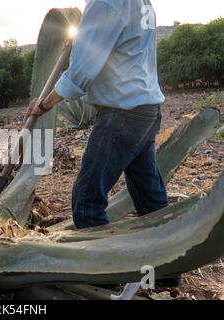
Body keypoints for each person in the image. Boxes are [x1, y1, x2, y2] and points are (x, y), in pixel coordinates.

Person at [27, 0, 179, 286]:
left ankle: (104, 278)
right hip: (146, 109)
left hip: (121, 114)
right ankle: (169, 274)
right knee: (150, 197)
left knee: (87, 201)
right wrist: (83, 40)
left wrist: (44, 105)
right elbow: (122, 47)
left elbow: (81, 73)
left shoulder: (105, 2)